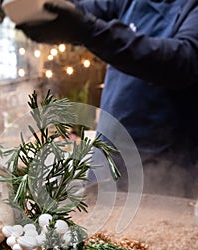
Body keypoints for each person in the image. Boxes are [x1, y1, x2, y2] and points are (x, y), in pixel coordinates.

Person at [12, 0, 198, 198]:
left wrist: (87, 29)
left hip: (165, 176)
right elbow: (81, 10)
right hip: (105, 165)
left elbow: (183, 61)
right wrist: (46, 13)